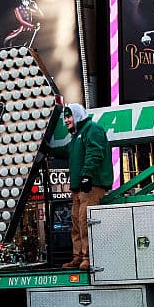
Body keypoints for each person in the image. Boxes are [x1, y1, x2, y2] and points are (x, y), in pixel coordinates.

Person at [46, 104, 113, 271]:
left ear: (78, 115)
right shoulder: (76, 137)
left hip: (91, 186)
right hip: (79, 189)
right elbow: (67, 151)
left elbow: (95, 152)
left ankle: (89, 257)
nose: (66, 120)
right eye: (65, 118)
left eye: (69, 116)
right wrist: (49, 150)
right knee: (76, 222)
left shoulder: (93, 129)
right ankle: (78, 257)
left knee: (85, 221)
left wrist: (86, 175)